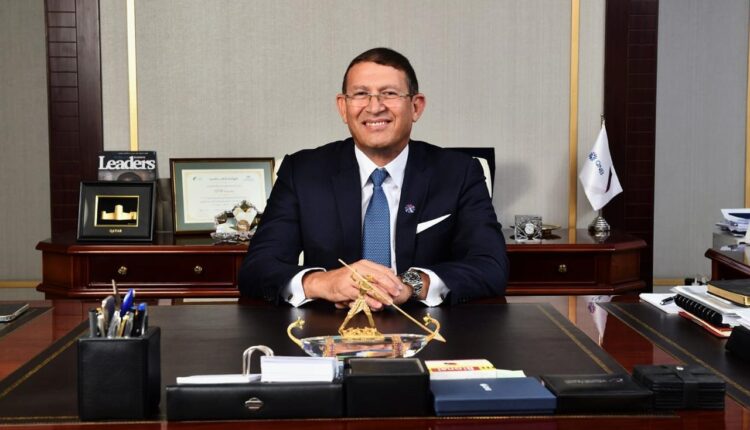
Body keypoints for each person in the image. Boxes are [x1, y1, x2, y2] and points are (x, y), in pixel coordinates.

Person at [239, 47, 508, 309]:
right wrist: (324, 283)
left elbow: (491, 266)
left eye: (389, 93)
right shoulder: (302, 172)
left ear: (416, 106)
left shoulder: (459, 172)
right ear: (343, 107)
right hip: (328, 326)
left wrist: (409, 286)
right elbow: (257, 268)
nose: (375, 107)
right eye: (361, 94)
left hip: (426, 326)